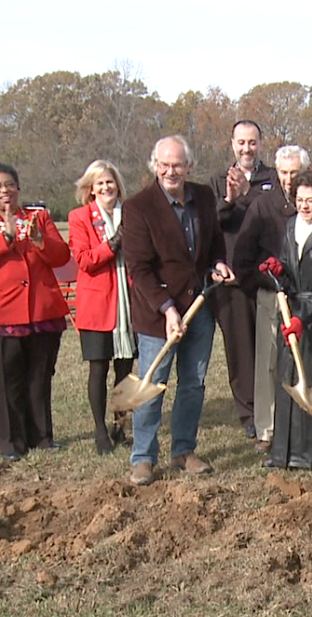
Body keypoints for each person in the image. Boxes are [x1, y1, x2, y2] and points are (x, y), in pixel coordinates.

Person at [123, 135, 236, 486]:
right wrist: (168, 309)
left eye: (178, 165)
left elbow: (214, 240)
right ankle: (143, 457)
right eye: (164, 165)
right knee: (153, 383)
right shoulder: (138, 207)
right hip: (158, 314)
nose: (171, 171)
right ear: (155, 166)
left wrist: (218, 263)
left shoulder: (202, 197)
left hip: (199, 307)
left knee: (193, 384)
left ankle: (184, 450)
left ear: (190, 166)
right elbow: (139, 269)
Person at [233, 170, 312, 479]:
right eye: (299, 200)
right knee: (288, 380)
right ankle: (284, 453)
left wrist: (304, 317)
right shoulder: (290, 227)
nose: (304, 206)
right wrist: (278, 270)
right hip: (292, 314)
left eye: (311, 200)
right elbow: (290, 269)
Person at [0, 163, 71, 462]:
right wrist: (4, 239)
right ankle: (10, 443)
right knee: (5, 383)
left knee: (39, 378)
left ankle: (42, 437)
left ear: (18, 187)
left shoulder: (39, 218)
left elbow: (62, 255)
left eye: (9, 184)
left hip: (41, 313)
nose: (4, 191)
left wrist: (38, 241)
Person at [209, 120, 278, 440]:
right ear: (232, 144)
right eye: (241, 142)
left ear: (261, 144)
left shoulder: (274, 179)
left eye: (252, 142)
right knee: (240, 352)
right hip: (230, 283)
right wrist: (229, 198)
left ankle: (272, 408)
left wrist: (248, 194)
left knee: (268, 349)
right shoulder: (216, 181)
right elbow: (215, 224)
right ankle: (248, 413)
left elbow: (274, 216)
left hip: (263, 279)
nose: (247, 148)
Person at [67, 159, 136, 455]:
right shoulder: (80, 217)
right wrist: (113, 243)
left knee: (125, 370)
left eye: (110, 182)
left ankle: (120, 426)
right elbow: (84, 259)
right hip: (97, 304)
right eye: (100, 183)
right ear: (90, 189)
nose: (106, 187)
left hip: (129, 305)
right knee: (99, 368)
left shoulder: (132, 214)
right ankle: (99, 431)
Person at [246, 145, 310, 453]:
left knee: (305, 359)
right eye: (283, 172)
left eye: (294, 172)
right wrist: (266, 277)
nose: (288, 179)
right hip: (271, 293)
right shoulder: (262, 205)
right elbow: (244, 253)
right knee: (268, 362)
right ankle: (266, 429)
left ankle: (303, 424)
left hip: (306, 295)